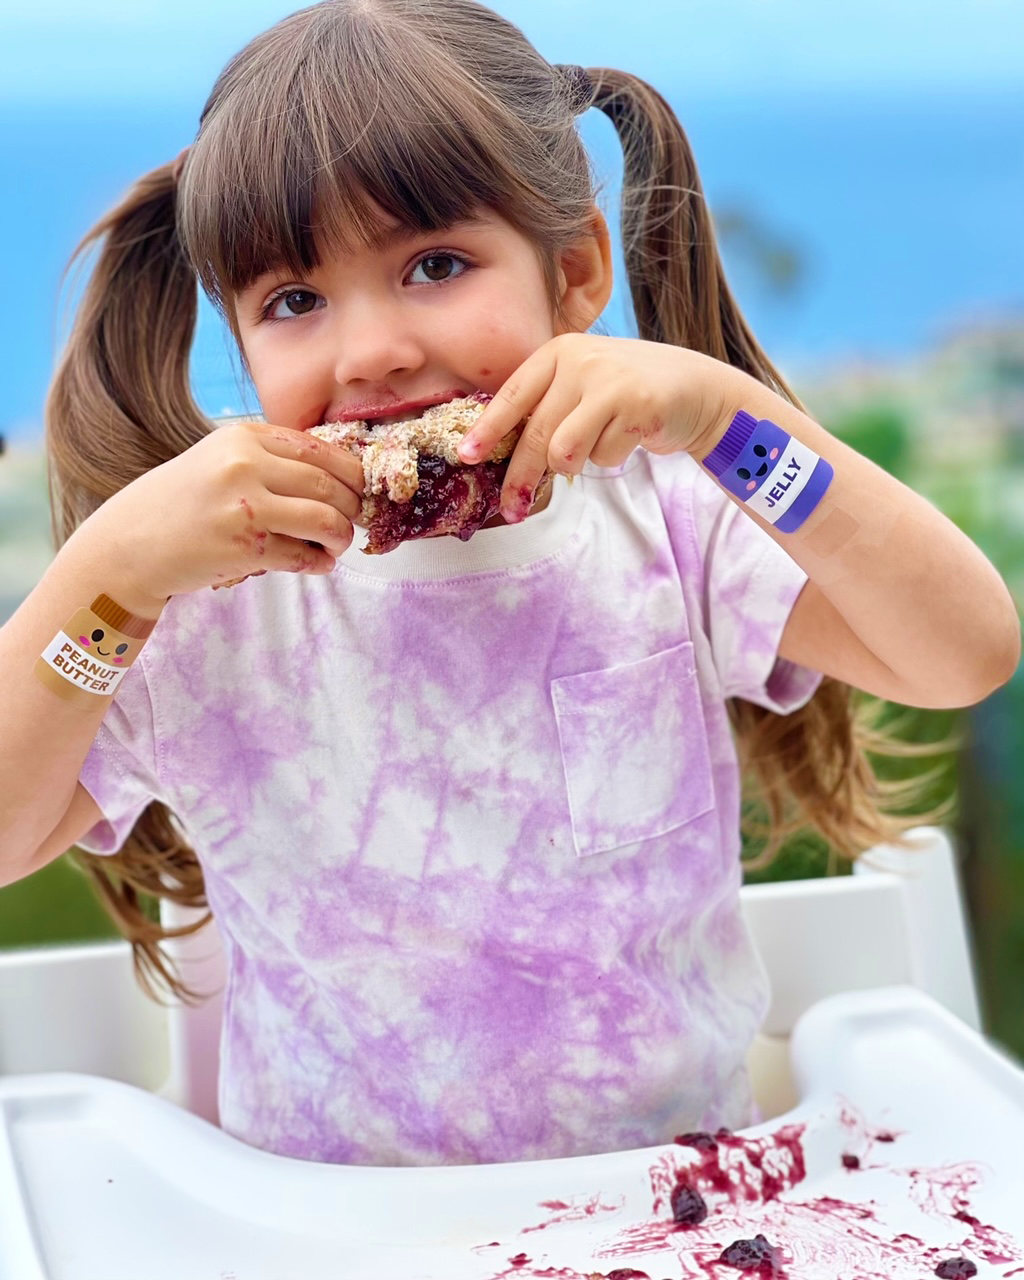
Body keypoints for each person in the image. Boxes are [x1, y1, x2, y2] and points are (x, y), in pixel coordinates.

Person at [0, 0, 1018, 1169]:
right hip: (335, 1227)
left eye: (435, 266)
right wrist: (104, 574)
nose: (372, 348)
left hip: (682, 1196)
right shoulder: (207, 601)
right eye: (295, 302)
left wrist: (730, 423)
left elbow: (963, 648)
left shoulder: (670, 519)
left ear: (576, 271)